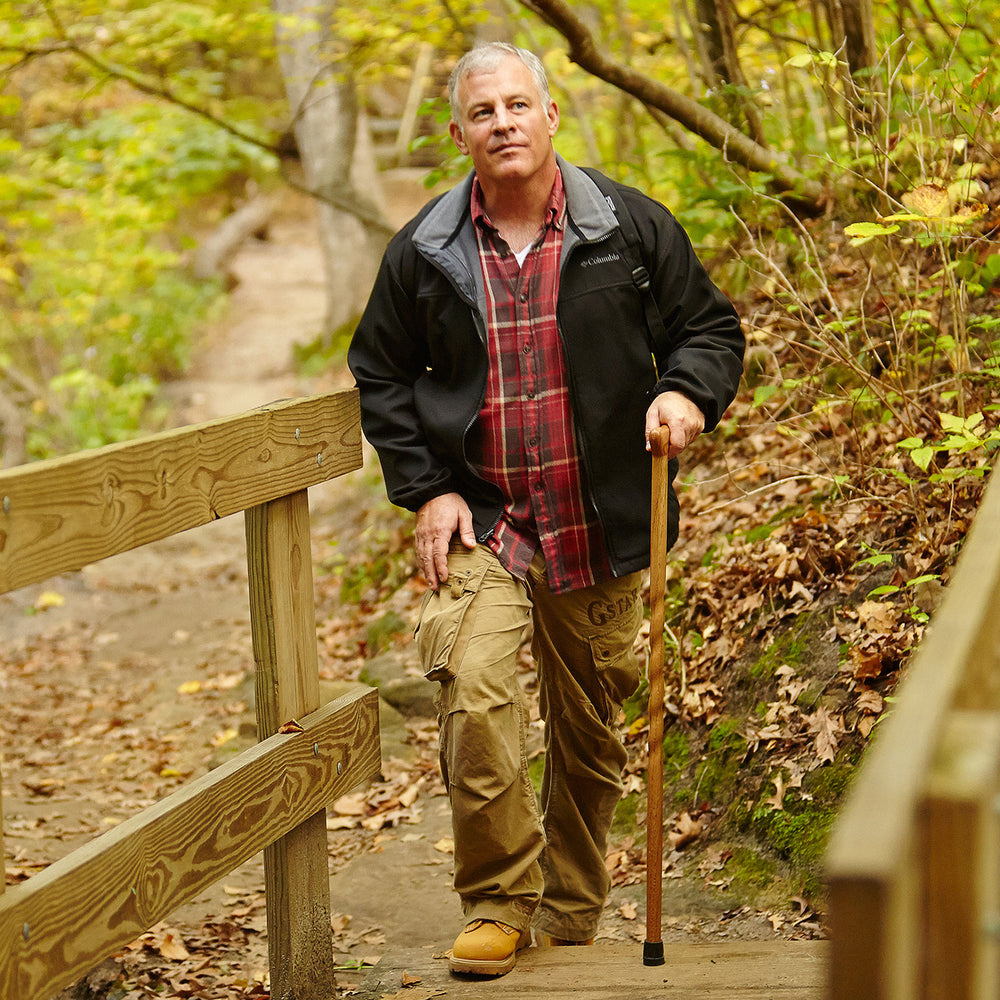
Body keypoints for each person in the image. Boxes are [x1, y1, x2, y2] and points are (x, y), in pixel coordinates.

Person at [348, 42, 744, 977]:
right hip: (491, 521)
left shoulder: (628, 229)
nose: (504, 124)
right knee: (477, 697)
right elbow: (381, 373)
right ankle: (497, 902)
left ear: (551, 115)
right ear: (459, 134)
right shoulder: (425, 254)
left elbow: (708, 329)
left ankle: (570, 911)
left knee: (589, 729)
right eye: (483, 113)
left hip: (599, 518)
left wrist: (686, 393)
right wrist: (429, 487)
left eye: (518, 105)